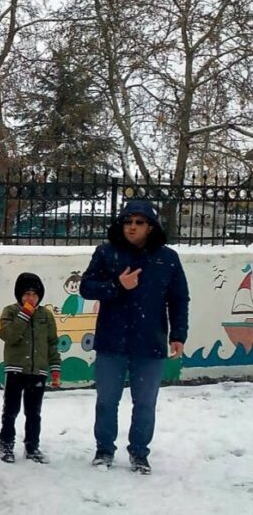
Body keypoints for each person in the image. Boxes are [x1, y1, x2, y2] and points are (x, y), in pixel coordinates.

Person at [80, 200, 189, 474]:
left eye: (139, 222)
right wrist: (117, 285)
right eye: (128, 222)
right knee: (106, 400)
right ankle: (104, 450)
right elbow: (86, 287)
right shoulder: (106, 253)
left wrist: (178, 334)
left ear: (150, 227)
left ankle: (139, 453)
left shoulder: (168, 258)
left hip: (150, 343)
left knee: (145, 402)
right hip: (111, 341)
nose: (132, 227)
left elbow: (178, 299)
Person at [0, 272, 61, 465]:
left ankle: (32, 446)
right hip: (16, 370)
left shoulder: (46, 315)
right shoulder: (10, 311)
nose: (30, 298)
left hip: (38, 372)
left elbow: (52, 343)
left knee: (34, 412)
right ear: (19, 295)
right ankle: (6, 445)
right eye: (26, 294)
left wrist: (55, 367)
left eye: (34, 294)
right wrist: (24, 315)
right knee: (11, 410)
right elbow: (9, 335)